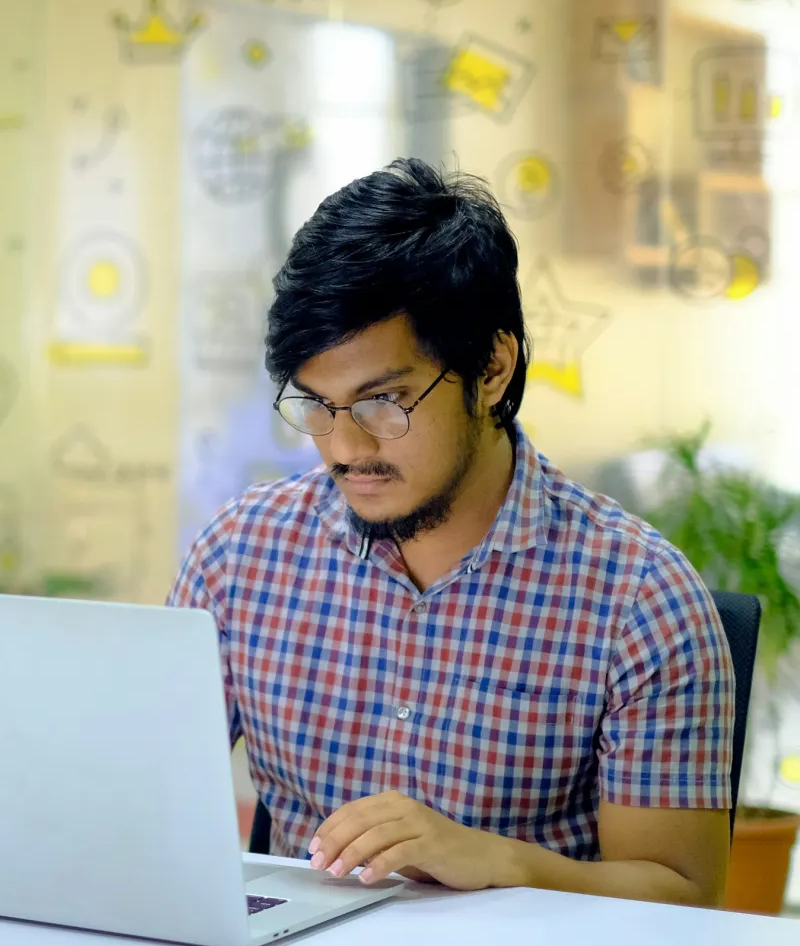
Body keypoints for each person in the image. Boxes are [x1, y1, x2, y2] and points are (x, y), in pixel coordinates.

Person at [169, 158, 733, 906]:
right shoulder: (240, 557)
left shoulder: (638, 599)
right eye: (316, 403)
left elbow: (683, 898)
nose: (344, 446)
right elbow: (139, 802)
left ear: (492, 368)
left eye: (384, 400)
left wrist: (500, 860)